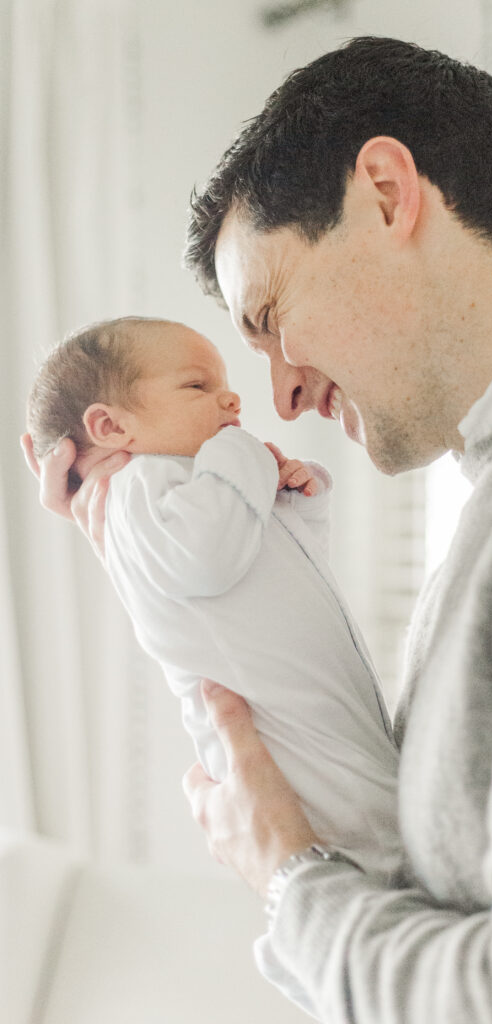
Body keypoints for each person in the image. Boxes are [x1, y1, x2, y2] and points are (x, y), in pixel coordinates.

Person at [22, 35, 492, 1024]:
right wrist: (137, 540)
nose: (279, 390)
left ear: (384, 193)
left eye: (272, 311)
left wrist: (290, 879)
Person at [25, 315, 402, 1013]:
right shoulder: (138, 486)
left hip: (314, 726)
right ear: (111, 427)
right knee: (375, 862)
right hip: (288, 755)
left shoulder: (186, 485)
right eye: (199, 384)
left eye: (227, 386)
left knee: (381, 865)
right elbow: (206, 559)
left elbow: (282, 571)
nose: (231, 401)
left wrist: (293, 497)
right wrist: (246, 460)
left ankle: (338, 966)